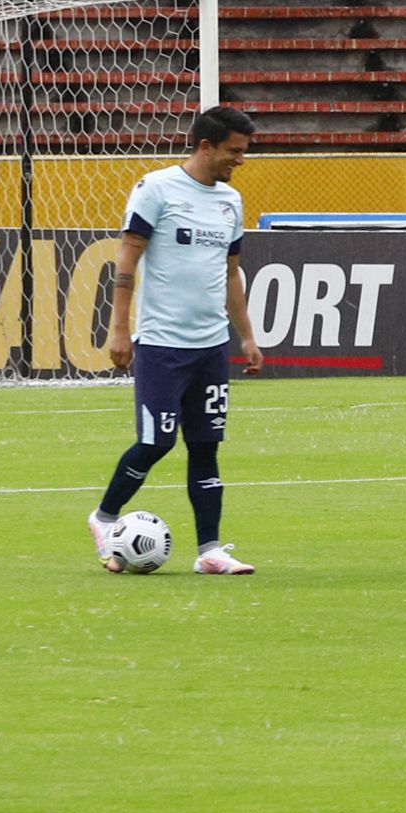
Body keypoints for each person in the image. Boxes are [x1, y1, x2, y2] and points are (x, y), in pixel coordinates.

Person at [89, 105, 267, 575]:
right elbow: (127, 260)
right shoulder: (157, 189)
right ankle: (104, 518)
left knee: (206, 445)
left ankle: (210, 550)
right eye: (234, 151)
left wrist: (246, 336)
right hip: (162, 345)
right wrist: (120, 328)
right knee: (156, 442)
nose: (241, 161)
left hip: (210, 347)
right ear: (205, 145)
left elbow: (230, 275)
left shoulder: (230, 201)